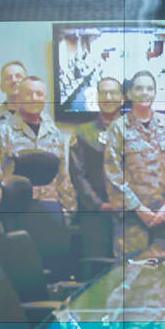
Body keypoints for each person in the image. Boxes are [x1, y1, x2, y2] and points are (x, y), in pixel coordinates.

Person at [104, 70, 165, 256]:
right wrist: (140, 209)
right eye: (139, 88)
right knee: (132, 277)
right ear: (129, 94)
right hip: (132, 220)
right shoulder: (118, 128)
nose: (145, 92)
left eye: (149, 88)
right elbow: (113, 175)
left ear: (155, 93)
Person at [0, 75, 75, 212]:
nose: (34, 98)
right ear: (18, 98)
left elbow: (63, 178)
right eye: (28, 94)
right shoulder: (1, 133)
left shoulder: (55, 135)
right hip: (13, 209)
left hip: (49, 208)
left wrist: (68, 210)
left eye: (39, 94)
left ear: (45, 99)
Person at [69, 76, 124, 258]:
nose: (108, 97)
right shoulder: (83, 132)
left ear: (122, 98)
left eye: (113, 92)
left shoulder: (134, 131)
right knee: (97, 267)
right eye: (103, 93)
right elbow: (78, 175)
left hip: (130, 213)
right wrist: (100, 204)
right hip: (95, 214)